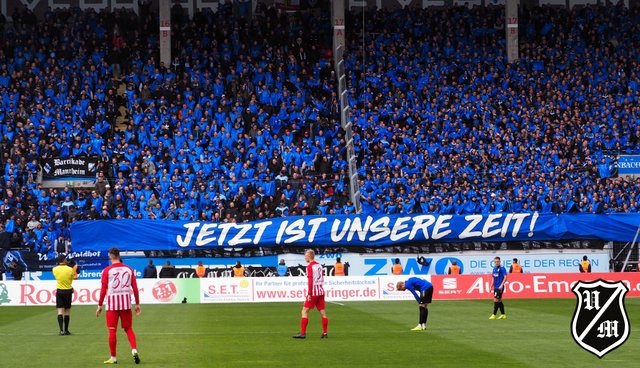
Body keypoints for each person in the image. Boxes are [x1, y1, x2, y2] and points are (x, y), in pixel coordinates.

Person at [96, 247, 141, 365]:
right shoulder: (129, 269)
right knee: (128, 328)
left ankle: (113, 357)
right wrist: (137, 304)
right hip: (126, 303)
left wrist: (99, 305)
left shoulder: (106, 271)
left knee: (112, 330)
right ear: (119, 255)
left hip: (112, 305)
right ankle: (134, 349)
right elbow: (135, 289)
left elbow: (103, 289)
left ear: (110, 256)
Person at [293, 249, 328, 339]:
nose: (304, 257)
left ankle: (303, 333)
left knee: (304, 311)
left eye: (305, 255)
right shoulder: (319, 265)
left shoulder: (309, 266)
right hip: (321, 290)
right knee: (323, 313)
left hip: (314, 292)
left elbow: (310, 281)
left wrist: (309, 294)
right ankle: (325, 333)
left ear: (309, 256)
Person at [52, 255, 74, 336]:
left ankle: (61, 331)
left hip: (60, 291)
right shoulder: (70, 269)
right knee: (67, 311)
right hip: (68, 290)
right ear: (64, 260)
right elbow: (72, 278)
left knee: (59, 311)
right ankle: (66, 330)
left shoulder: (54, 269)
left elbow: (56, 277)